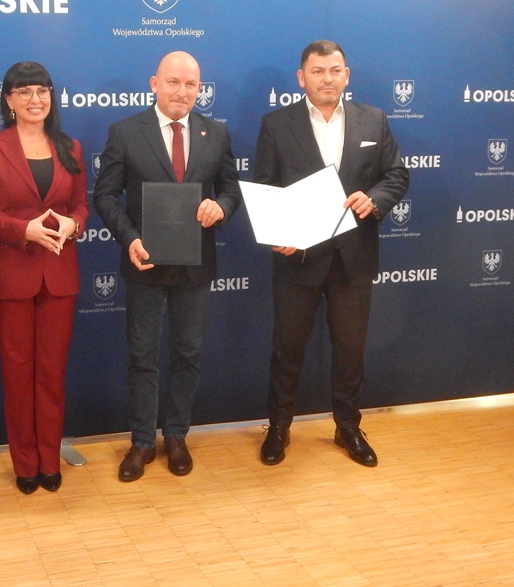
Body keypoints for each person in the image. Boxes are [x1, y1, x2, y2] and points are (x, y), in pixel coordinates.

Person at [253, 40, 409, 468]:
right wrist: (277, 234)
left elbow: (397, 175)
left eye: (335, 70)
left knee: (350, 351)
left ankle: (348, 427)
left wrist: (374, 199)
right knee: (287, 350)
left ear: (346, 75)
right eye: (318, 71)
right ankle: (278, 427)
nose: (327, 78)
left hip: (353, 259)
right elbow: (264, 187)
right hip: (297, 258)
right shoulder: (276, 124)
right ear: (301, 77)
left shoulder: (373, 120)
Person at [94, 51, 241, 482]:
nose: (182, 91)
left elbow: (231, 188)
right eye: (173, 82)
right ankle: (142, 441)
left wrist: (221, 206)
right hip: (145, 262)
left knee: (188, 353)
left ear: (200, 89)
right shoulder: (125, 132)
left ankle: (176, 435)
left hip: (196, 264)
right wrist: (130, 238)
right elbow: (105, 195)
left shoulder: (216, 132)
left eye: (190, 84)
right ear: (154, 83)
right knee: (143, 356)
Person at [0, 62, 88, 494]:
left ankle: (49, 459)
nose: (35, 99)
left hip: (58, 273)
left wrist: (74, 225)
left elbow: (81, 206)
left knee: (52, 373)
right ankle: (25, 464)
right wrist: (24, 230)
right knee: (18, 374)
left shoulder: (71, 147)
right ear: (8, 100)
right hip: (11, 275)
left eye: (42, 91)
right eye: (24, 92)